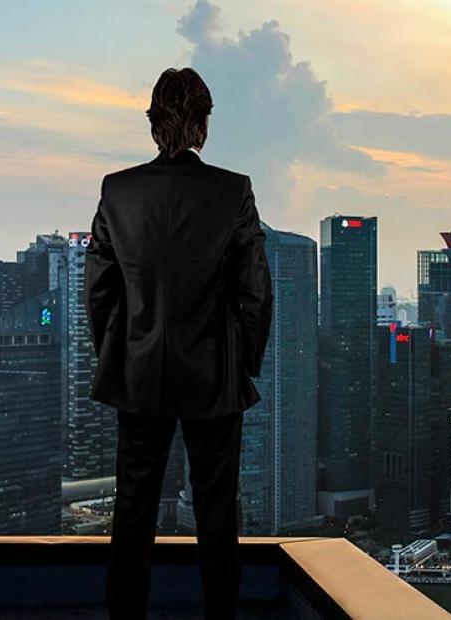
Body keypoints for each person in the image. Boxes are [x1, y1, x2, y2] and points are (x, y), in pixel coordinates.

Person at [85, 67, 273, 619]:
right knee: (217, 516)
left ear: (153, 124)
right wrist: (247, 363)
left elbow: (99, 287)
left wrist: (116, 357)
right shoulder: (232, 189)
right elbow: (255, 289)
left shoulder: (117, 189)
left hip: (138, 374)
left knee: (132, 511)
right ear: (203, 123)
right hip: (214, 377)